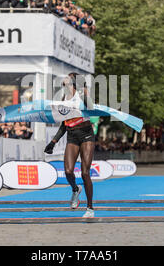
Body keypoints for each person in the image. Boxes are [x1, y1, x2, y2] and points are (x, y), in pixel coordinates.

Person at [44, 73, 96, 218]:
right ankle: (75, 189)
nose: (64, 80)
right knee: (68, 171)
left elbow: (91, 108)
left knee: (85, 172)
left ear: (73, 82)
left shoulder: (81, 95)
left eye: (67, 78)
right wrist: (53, 142)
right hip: (72, 136)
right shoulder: (63, 99)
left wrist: (83, 92)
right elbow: (63, 124)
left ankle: (90, 208)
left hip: (86, 134)